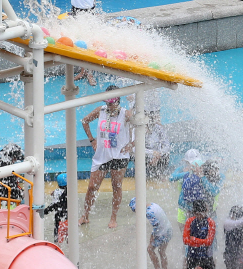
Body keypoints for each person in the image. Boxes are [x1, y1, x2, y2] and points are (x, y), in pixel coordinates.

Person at [79, 85, 134, 228]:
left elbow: (142, 127)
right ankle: (85, 215)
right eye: (107, 103)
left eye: (112, 103)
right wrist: (92, 140)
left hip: (119, 156)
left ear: (118, 101)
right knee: (92, 187)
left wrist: (131, 144)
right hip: (102, 155)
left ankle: (113, 218)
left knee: (116, 186)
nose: (109, 106)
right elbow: (84, 121)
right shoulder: (100, 111)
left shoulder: (125, 114)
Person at [129, 198, 172, 269]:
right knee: (162, 251)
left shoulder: (148, 212)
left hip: (162, 233)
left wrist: (152, 236)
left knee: (150, 249)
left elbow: (156, 225)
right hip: (168, 230)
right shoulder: (153, 205)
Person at [183, 200, 215, 269]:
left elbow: (209, 242)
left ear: (205, 211)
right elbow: (185, 240)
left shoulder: (210, 222)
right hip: (192, 255)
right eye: (197, 214)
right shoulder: (190, 221)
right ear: (194, 213)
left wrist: (194, 239)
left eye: (201, 214)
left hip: (206, 256)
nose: (199, 216)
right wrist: (201, 242)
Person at [144, 111, 170, 179]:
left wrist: (158, 155)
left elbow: (167, 145)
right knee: (141, 156)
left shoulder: (159, 128)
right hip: (146, 155)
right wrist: (152, 153)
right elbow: (136, 149)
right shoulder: (139, 129)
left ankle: (159, 174)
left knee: (166, 155)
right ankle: (148, 175)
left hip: (157, 155)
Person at [45, 173, 68, 244]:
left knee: (57, 239)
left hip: (59, 220)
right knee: (70, 238)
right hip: (68, 219)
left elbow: (54, 204)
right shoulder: (70, 192)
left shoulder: (56, 192)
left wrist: (45, 211)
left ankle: (57, 248)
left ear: (58, 184)